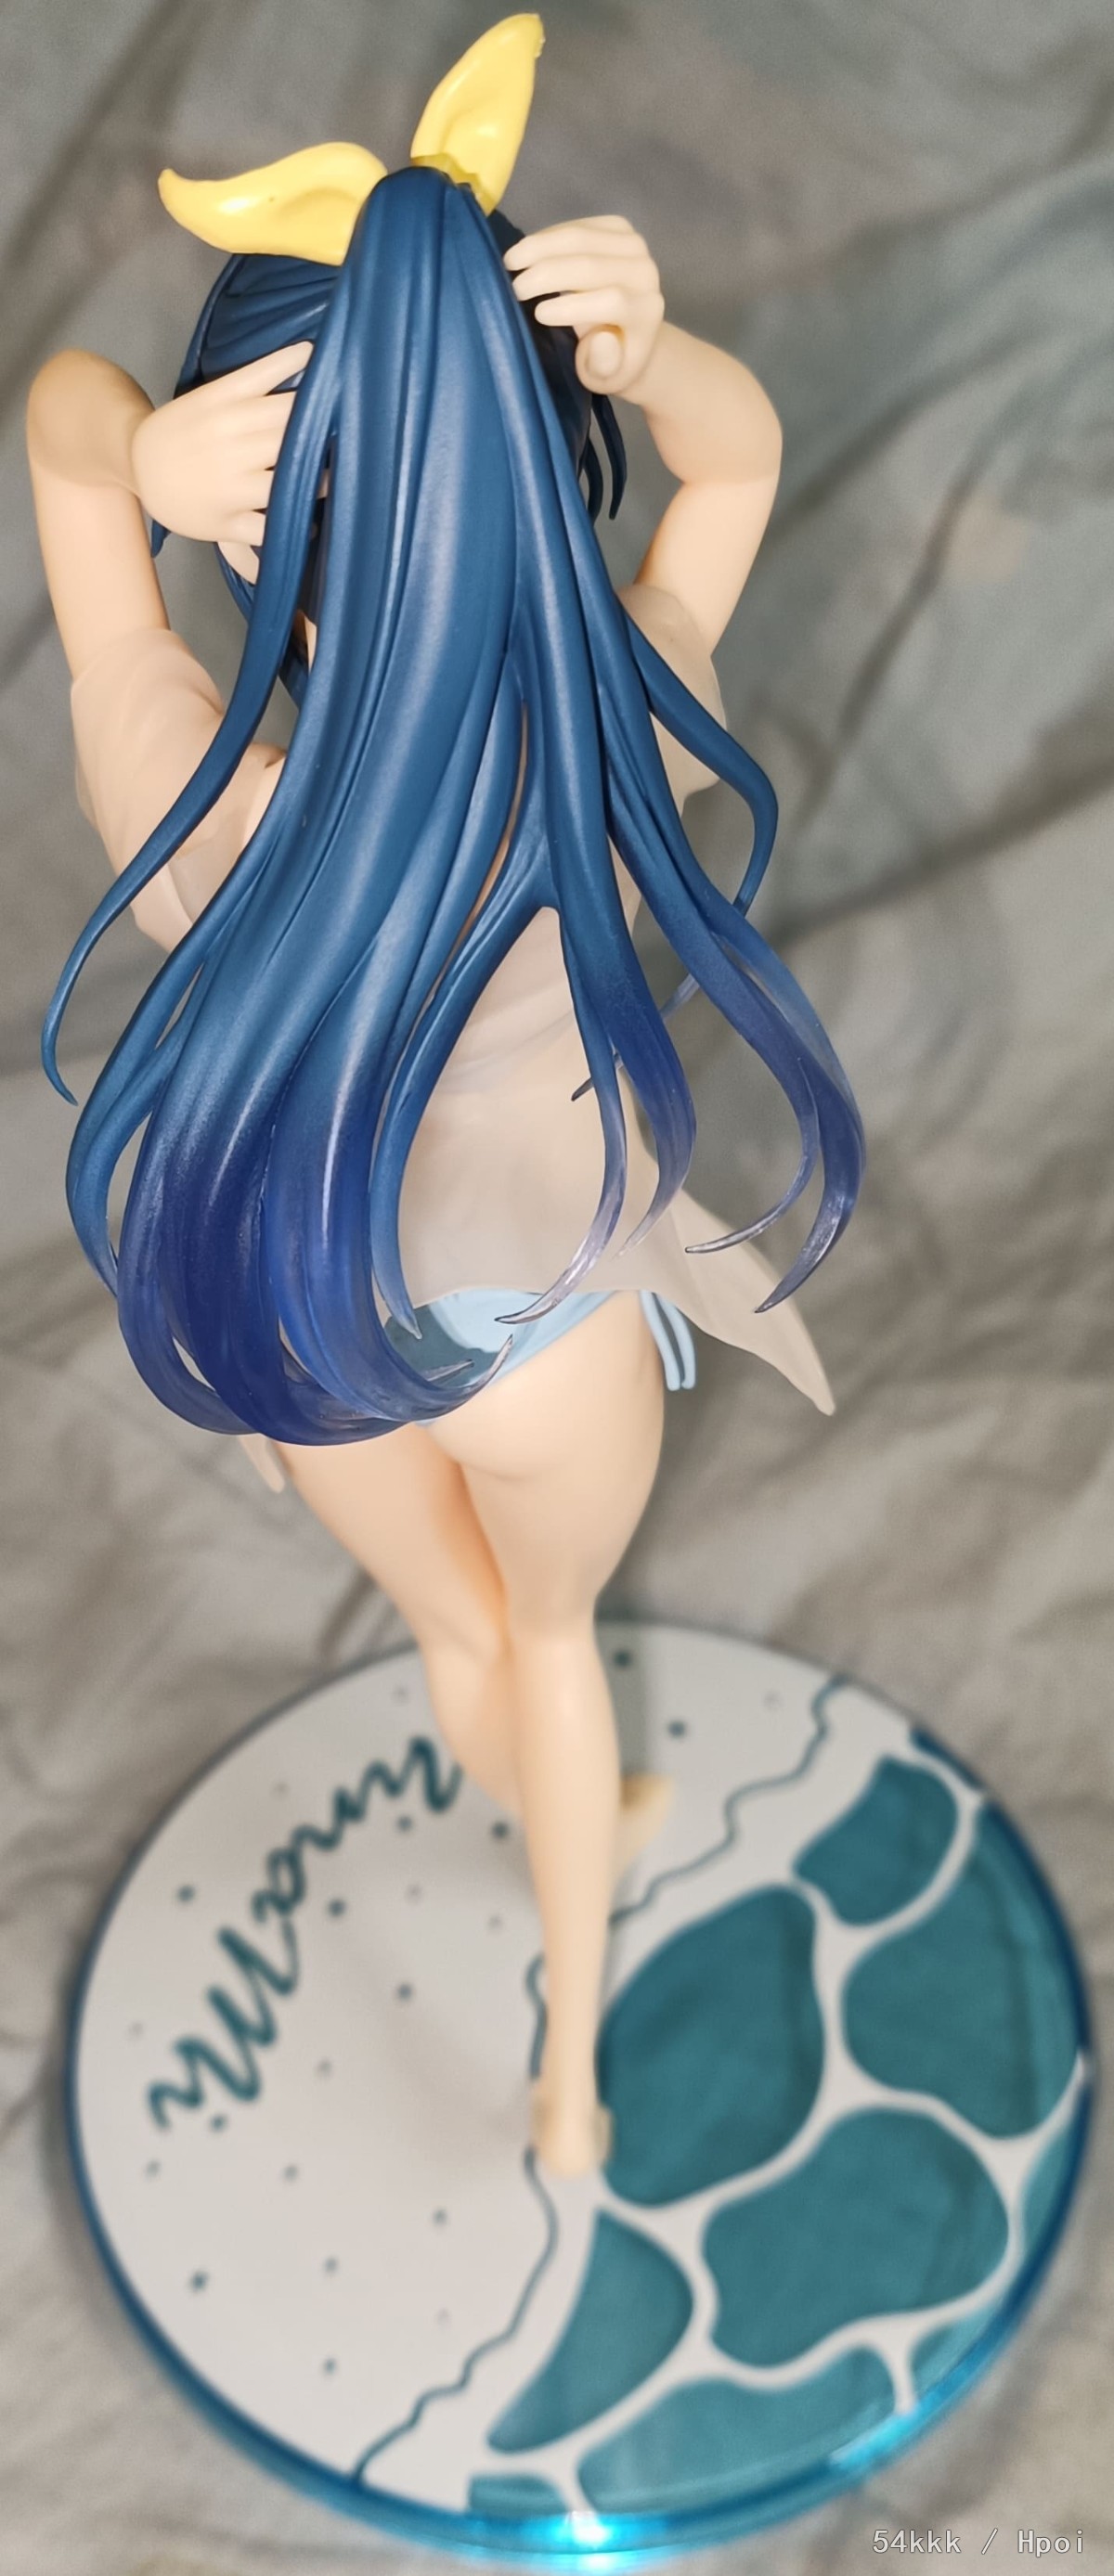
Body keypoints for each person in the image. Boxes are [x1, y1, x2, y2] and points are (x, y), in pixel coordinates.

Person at [27, 18, 862, 2176]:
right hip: (544, 1329)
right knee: (556, 1638)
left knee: (461, 1633)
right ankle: (572, 2076)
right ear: (559, 461)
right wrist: (663, 357)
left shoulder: (207, 808)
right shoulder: (620, 745)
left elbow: (57, 437)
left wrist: (135, 463)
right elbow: (741, 468)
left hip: (308, 1301)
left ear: (256, 532)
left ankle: (533, 1779)